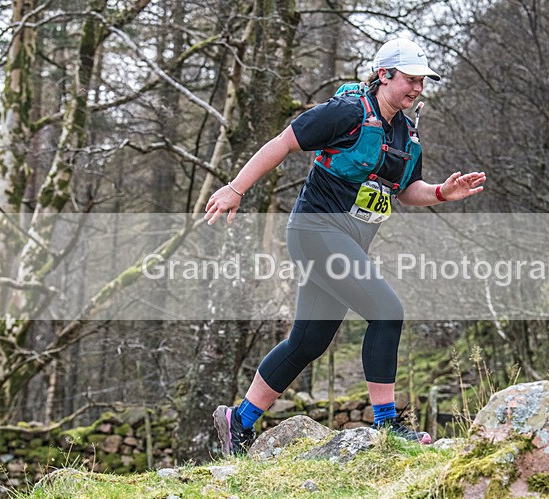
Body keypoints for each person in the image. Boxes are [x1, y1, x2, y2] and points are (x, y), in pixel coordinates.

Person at [205, 37, 486, 455]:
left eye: (423, 82)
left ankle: (238, 421)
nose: (417, 89)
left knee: (308, 342)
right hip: (316, 232)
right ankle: (388, 426)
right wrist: (235, 189)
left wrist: (443, 192)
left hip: (349, 242)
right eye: (410, 79)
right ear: (384, 74)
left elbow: (406, 191)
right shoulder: (348, 112)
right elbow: (282, 143)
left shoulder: (405, 134)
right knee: (387, 311)